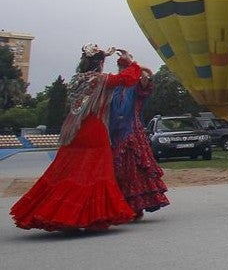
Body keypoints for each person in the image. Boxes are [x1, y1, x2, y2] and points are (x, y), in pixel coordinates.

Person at [10, 45, 137, 231]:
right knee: (96, 173)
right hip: (95, 130)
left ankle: (57, 213)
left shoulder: (77, 79)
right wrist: (129, 62)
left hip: (73, 130)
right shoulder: (100, 79)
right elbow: (128, 79)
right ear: (100, 63)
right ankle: (93, 217)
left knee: (67, 172)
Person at [108, 49, 169, 217]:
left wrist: (133, 64)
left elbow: (147, 81)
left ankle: (135, 206)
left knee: (134, 168)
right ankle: (119, 205)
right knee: (117, 170)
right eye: (120, 67)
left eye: (124, 67)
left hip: (132, 133)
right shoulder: (113, 87)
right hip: (114, 133)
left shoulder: (135, 85)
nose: (121, 70)